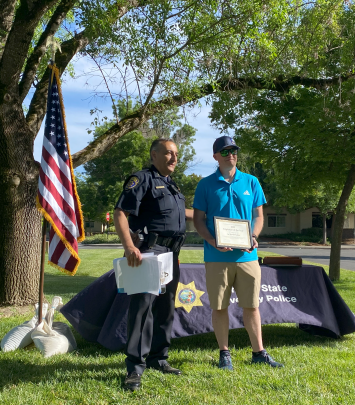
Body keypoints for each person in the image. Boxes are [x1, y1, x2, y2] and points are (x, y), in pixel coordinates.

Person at [192, 136, 283, 370]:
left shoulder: (251, 182)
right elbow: (199, 220)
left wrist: (254, 236)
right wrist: (213, 241)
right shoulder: (205, 184)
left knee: (252, 306)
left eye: (233, 150)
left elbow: (258, 216)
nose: (230, 154)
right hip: (216, 257)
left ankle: (258, 352)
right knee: (219, 307)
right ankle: (224, 354)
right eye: (225, 151)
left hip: (247, 257)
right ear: (215, 156)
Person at [114, 138, 193, 391]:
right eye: (168, 153)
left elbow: (182, 214)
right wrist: (129, 246)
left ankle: (160, 358)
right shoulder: (142, 179)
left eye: (176, 154)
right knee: (142, 310)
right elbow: (120, 212)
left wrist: (213, 215)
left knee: (166, 307)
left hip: (172, 252)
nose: (174, 158)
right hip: (150, 250)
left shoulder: (172, 186)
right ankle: (135, 368)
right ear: (154, 155)